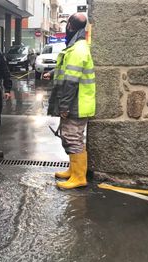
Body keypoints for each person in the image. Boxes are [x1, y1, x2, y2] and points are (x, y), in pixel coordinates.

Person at [43, 13, 96, 189]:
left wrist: (64, 106)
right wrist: (52, 73)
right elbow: (66, 72)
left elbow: (71, 82)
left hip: (77, 103)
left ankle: (79, 177)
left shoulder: (78, 50)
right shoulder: (76, 47)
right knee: (70, 137)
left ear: (70, 27)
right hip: (77, 101)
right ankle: (73, 170)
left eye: (67, 26)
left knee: (73, 138)